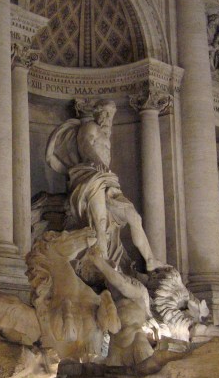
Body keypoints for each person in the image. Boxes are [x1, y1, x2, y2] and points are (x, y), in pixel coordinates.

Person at [46, 99, 164, 272]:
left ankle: (150, 260)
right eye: (106, 113)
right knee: (99, 223)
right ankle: (103, 269)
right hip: (90, 176)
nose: (109, 118)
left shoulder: (105, 133)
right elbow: (84, 144)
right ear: (98, 113)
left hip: (107, 179)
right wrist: (96, 160)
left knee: (133, 217)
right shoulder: (90, 127)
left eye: (111, 115)